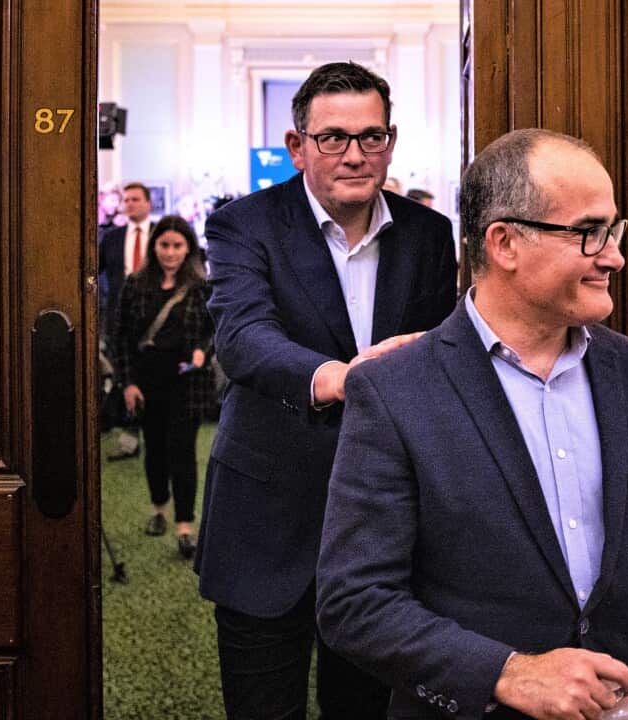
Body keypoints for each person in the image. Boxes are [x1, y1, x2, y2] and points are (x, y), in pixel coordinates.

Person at [316, 129, 628, 720]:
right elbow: (354, 601)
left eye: (613, 231)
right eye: (589, 233)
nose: (614, 256)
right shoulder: (396, 390)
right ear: (504, 242)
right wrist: (508, 674)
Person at [194, 61, 458, 719]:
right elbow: (244, 337)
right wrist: (341, 378)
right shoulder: (244, 225)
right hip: (266, 517)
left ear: (390, 141)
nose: (354, 155)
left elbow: (439, 354)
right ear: (297, 146)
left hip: (385, 526)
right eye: (332, 138)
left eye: (371, 137)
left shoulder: (428, 235)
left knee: (366, 709)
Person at [113, 215, 215, 559]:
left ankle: (185, 527)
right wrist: (127, 383)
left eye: (177, 246)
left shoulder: (202, 287)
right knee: (154, 450)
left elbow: (214, 329)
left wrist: (204, 350)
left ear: (188, 248)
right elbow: (121, 338)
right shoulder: (135, 285)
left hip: (188, 383)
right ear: (154, 245)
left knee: (183, 453)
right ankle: (160, 508)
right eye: (164, 245)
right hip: (146, 383)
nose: (170, 253)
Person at [99, 182, 153, 460]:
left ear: (148, 203)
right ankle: (130, 440)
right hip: (119, 320)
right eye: (126, 199)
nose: (129, 204)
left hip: (156, 319)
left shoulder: (161, 235)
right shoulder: (111, 238)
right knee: (125, 376)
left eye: (135, 199)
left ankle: (154, 435)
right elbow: (94, 272)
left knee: (151, 376)